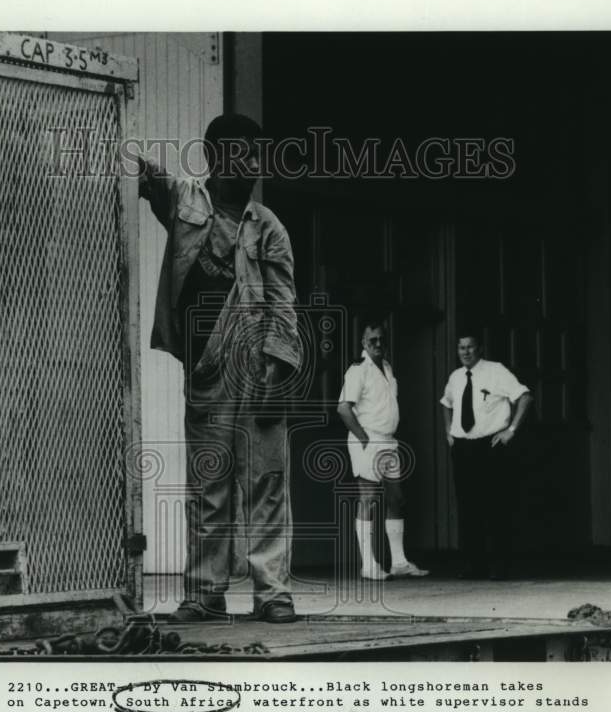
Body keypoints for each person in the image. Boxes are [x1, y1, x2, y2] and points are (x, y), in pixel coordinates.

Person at [138, 114, 302, 624]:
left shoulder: (267, 224)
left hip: (258, 369)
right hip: (208, 370)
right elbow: (140, 175)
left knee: (266, 483)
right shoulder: (185, 201)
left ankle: (272, 593)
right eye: (243, 154)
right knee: (209, 485)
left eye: (258, 155)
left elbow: (283, 301)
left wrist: (280, 371)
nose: (253, 165)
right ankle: (204, 593)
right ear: (215, 158)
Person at [337, 322, 429, 580]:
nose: (378, 344)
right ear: (363, 343)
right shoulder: (358, 370)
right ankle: (368, 565)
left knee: (395, 498)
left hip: (388, 441)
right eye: (373, 340)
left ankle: (398, 562)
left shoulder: (387, 368)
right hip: (368, 439)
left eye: (382, 340)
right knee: (367, 499)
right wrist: (364, 438)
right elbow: (344, 408)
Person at [440, 331, 532, 580]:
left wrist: (511, 430)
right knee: (468, 507)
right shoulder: (456, 377)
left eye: (470, 347)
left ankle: (500, 565)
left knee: (496, 505)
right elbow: (446, 403)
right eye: (461, 348)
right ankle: (474, 565)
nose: (465, 352)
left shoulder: (496, 370)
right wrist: (449, 432)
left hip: (490, 446)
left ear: (479, 348)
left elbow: (524, 396)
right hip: (463, 447)